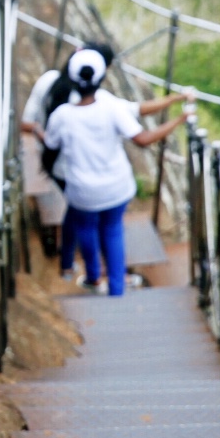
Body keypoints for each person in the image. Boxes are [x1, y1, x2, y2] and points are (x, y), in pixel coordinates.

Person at [42, 46, 192, 295]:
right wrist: (178, 120)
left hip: (82, 191)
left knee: (86, 229)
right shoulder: (110, 107)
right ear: (101, 77)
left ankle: (92, 277)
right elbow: (142, 139)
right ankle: (117, 288)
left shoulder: (62, 116)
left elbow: (50, 143)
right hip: (116, 187)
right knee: (112, 231)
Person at [21, 41, 116, 280]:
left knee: (76, 210)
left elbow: (27, 122)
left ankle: (68, 265)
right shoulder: (89, 99)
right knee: (88, 215)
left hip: (54, 163)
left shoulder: (49, 80)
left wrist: (47, 138)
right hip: (79, 165)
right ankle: (93, 272)